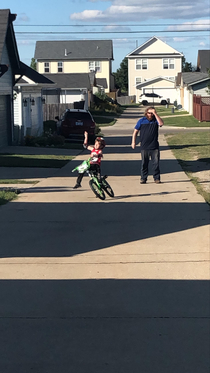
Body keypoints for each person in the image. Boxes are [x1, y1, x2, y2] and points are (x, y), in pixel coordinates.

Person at [131, 106, 164, 184]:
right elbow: (135, 132)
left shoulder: (156, 120)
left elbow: (161, 124)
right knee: (144, 163)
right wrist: (133, 142)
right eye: (149, 113)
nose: (150, 115)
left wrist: (155, 113)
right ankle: (143, 178)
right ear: (146, 113)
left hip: (154, 146)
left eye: (152, 113)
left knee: (156, 163)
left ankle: (156, 178)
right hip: (144, 146)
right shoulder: (141, 121)